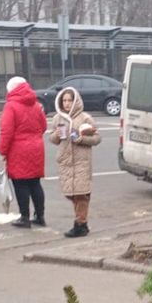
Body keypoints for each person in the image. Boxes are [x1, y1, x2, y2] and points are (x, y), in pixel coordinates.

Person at [50, 87, 100, 238]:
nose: (66, 103)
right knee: (71, 194)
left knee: (81, 194)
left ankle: (80, 224)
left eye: (69, 100)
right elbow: (52, 139)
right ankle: (81, 222)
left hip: (81, 161)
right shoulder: (58, 118)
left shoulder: (85, 118)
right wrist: (56, 135)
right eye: (64, 100)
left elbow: (97, 138)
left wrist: (82, 139)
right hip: (65, 161)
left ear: (75, 101)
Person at [0, 75, 47, 229]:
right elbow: (44, 126)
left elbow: (6, 131)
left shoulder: (11, 106)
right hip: (36, 147)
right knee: (35, 183)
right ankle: (40, 216)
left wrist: (2, 151)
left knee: (20, 184)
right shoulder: (36, 104)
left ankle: (24, 217)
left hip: (18, 149)